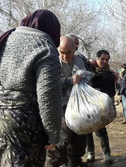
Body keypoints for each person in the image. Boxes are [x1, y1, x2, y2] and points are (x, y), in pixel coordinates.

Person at [0, 10, 62, 166]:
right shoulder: (45, 48)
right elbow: (48, 96)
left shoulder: (3, 40)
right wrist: (53, 134)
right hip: (23, 130)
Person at [45, 36, 88, 167]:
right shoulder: (53, 62)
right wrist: (70, 80)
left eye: (68, 52)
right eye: (61, 52)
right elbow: (48, 84)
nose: (64, 56)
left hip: (79, 108)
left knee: (78, 144)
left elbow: (86, 77)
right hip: (61, 110)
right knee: (59, 146)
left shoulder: (80, 61)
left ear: (75, 49)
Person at [86, 50, 115, 164]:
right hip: (88, 106)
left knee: (101, 130)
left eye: (107, 60)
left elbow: (112, 92)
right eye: (102, 59)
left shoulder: (110, 75)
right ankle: (90, 153)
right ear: (97, 58)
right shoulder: (89, 71)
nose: (104, 62)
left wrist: (103, 96)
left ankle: (107, 154)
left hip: (101, 107)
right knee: (87, 130)